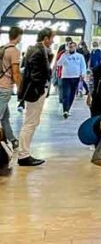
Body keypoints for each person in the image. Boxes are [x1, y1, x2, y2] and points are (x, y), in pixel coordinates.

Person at [17, 28, 54, 166]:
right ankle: (23, 155)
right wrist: (40, 88)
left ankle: (24, 153)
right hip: (35, 92)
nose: (53, 41)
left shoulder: (37, 50)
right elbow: (36, 73)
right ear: (45, 38)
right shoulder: (38, 51)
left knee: (32, 122)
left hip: (34, 91)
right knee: (30, 123)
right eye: (51, 38)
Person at [0, 27, 23, 150]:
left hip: (0, 85)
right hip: (5, 88)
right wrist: (20, 88)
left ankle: (12, 139)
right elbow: (16, 73)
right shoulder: (14, 51)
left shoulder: (3, 48)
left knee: (4, 117)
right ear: (18, 36)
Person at [55, 40, 88, 118]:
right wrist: (64, 56)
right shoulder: (64, 55)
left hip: (75, 77)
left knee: (72, 94)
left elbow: (83, 66)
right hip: (65, 77)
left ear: (75, 47)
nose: (71, 48)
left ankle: (68, 109)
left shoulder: (80, 56)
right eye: (69, 47)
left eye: (72, 46)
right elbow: (59, 64)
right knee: (65, 94)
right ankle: (65, 110)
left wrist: (83, 74)